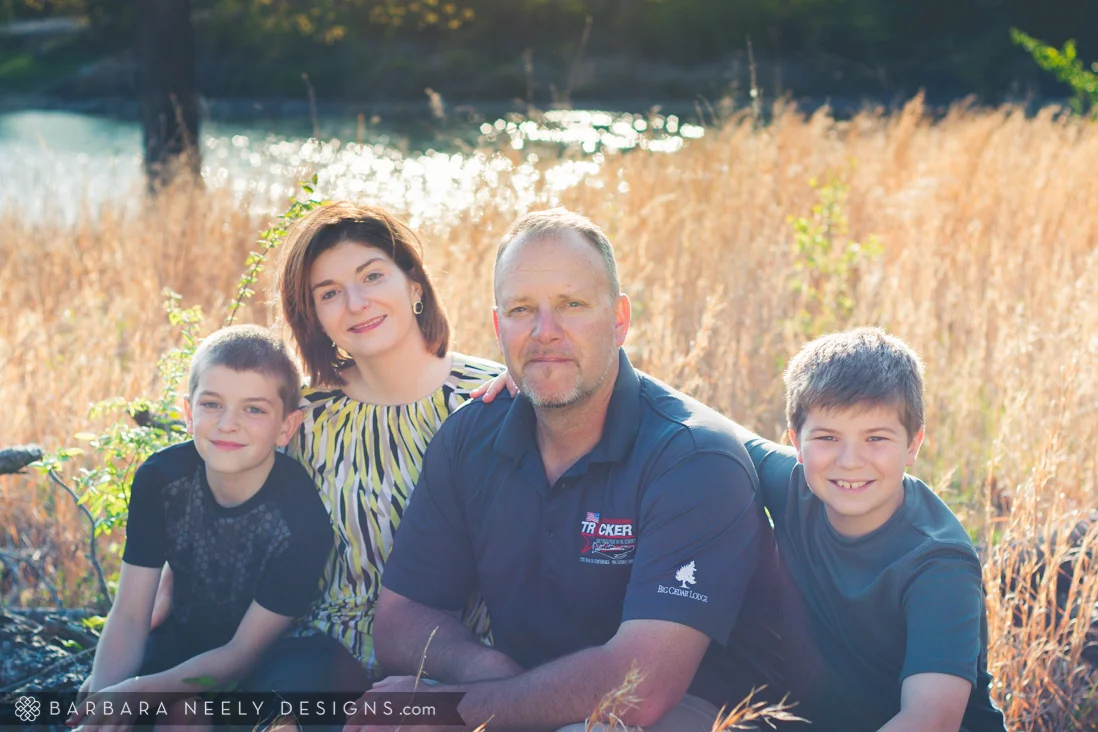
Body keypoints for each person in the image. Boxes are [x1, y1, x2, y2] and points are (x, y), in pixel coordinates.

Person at [359, 208, 785, 731]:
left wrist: (451, 708)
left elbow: (641, 688)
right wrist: (483, 669)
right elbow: (401, 619)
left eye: (572, 305)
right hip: (534, 699)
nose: (545, 331)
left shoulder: (694, 460)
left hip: (701, 711)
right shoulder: (471, 437)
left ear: (620, 319)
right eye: (521, 309)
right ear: (498, 327)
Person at [234, 202, 504, 699]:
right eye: (330, 293)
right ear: (314, 317)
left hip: (462, 667)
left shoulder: (494, 399)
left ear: (414, 286)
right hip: (321, 670)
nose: (356, 303)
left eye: (373, 276)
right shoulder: (303, 420)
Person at [729, 327, 1007, 732]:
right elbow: (702, 425)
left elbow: (930, 719)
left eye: (876, 437)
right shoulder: (793, 485)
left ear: (914, 444)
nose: (850, 461)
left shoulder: (938, 564)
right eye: (827, 437)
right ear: (796, 442)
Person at [70, 325, 333, 730]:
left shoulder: (300, 520)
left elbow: (241, 654)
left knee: (188, 714)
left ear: (286, 426)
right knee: (165, 713)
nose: (228, 424)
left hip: (266, 663)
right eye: (212, 404)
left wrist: (138, 690)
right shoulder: (161, 480)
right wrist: (107, 697)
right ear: (189, 413)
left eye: (254, 409)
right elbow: (129, 615)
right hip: (183, 642)